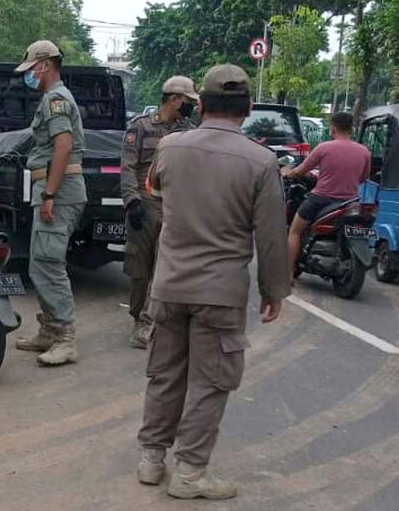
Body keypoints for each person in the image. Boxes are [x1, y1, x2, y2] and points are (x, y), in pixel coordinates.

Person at [137, 64, 290, 501]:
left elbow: (153, 188)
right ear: (249, 109)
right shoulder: (261, 162)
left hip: (168, 284)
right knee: (210, 382)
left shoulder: (170, 146)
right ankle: (189, 473)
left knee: (164, 372)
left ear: (201, 105)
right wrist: (273, 290)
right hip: (219, 292)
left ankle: (151, 458)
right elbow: (271, 235)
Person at [13, 40, 87, 367]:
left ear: (45, 64)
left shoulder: (56, 99)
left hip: (60, 190)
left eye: (31, 69)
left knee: (49, 264)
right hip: (53, 186)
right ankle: (48, 330)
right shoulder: (52, 97)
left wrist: (50, 194)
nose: (30, 75)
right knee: (39, 263)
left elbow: (63, 147)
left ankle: (65, 337)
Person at [121, 76, 198, 349]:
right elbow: (128, 167)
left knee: (163, 267)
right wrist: (131, 202)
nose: (192, 107)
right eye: (188, 102)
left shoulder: (190, 131)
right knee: (139, 266)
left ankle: (148, 322)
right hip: (144, 204)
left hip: (173, 206)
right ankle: (137, 315)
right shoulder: (140, 127)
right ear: (174, 99)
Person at [281, 111, 371, 281]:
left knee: (294, 231)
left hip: (321, 199)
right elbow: (364, 177)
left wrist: (288, 173)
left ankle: (288, 273)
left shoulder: (324, 147)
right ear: (351, 128)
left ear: (333, 128)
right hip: (351, 202)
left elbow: (301, 171)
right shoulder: (364, 151)